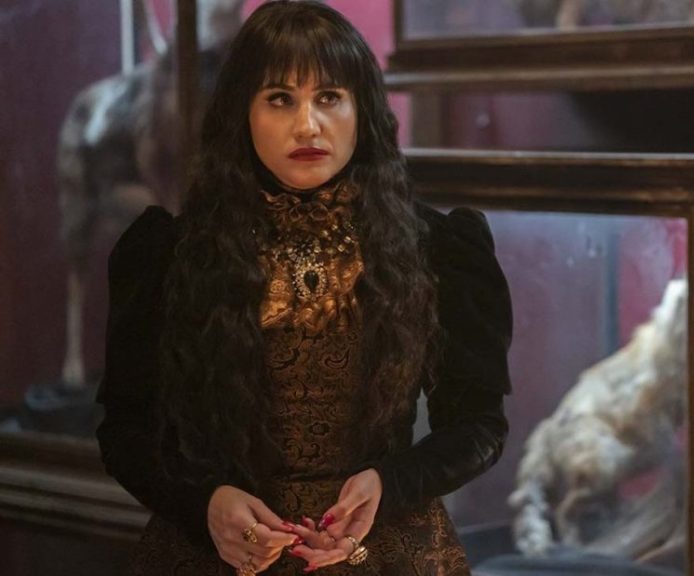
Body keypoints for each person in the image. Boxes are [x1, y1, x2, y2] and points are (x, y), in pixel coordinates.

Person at [95, 2, 513, 574]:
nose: (307, 125)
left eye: (329, 97)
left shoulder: (439, 248)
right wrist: (204, 503)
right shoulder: (168, 252)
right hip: (216, 550)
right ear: (242, 113)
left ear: (362, 110)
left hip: (384, 545)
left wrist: (391, 484)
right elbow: (126, 429)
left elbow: (478, 425)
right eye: (280, 99)